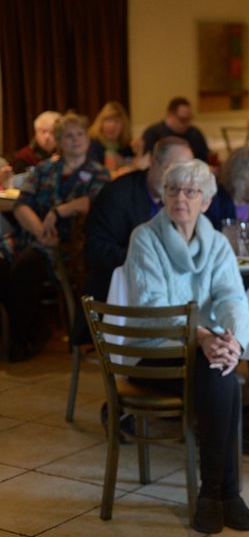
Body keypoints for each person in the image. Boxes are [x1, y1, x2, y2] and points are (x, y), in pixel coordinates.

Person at [122, 159, 249, 534]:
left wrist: (232, 341)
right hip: (155, 354)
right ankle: (226, 491)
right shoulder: (145, 237)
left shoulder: (216, 243)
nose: (180, 198)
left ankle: (212, 493)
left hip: (202, 353)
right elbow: (153, 309)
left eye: (190, 191)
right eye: (173, 190)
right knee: (217, 370)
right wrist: (202, 336)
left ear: (206, 201)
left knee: (221, 370)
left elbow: (234, 299)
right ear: (163, 196)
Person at [0, 112, 110, 361]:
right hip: (32, 235)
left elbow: (93, 202)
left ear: (87, 139)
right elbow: (22, 203)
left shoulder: (97, 172)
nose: (75, 140)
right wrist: (40, 229)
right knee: (3, 263)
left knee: (25, 266)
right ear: (59, 140)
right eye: (68, 136)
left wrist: (58, 211)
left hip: (70, 244)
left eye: (79, 134)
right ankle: (35, 326)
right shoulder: (44, 169)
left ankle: (19, 339)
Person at [84, 137, 194, 302]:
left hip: (175, 291)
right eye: (174, 170)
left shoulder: (187, 198)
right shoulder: (118, 195)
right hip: (122, 296)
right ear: (153, 162)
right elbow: (95, 250)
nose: (181, 180)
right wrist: (147, 259)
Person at [142, 97, 210, 162]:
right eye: (183, 120)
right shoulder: (152, 134)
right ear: (170, 115)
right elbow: (147, 164)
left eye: (189, 119)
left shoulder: (195, 134)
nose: (187, 123)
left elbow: (204, 159)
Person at [87, 101, 140, 177]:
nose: (112, 125)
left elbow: (136, 170)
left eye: (117, 121)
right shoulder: (92, 144)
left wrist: (139, 152)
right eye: (108, 120)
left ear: (123, 125)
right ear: (101, 123)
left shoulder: (126, 146)